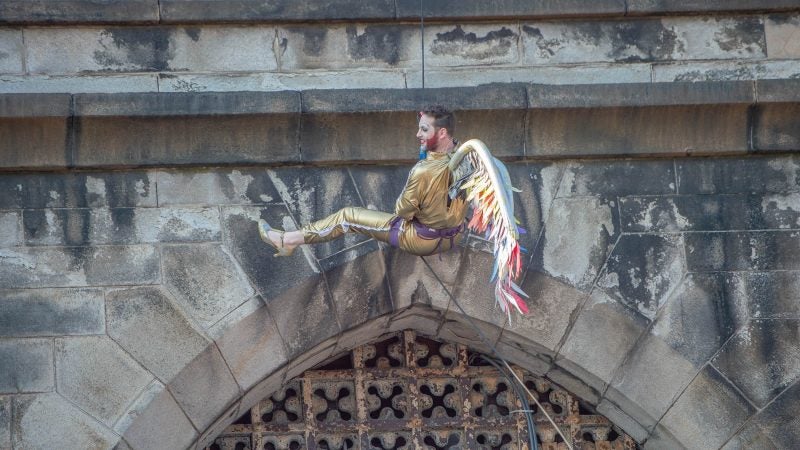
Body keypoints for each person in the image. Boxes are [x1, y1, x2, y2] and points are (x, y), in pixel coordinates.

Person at [258, 105, 468, 257]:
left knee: (347, 216)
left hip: (422, 240)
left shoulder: (424, 170)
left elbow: (403, 212)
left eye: (424, 129)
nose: (417, 134)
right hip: (454, 236)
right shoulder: (468, 156)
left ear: (441, 132)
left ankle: (287, 240)